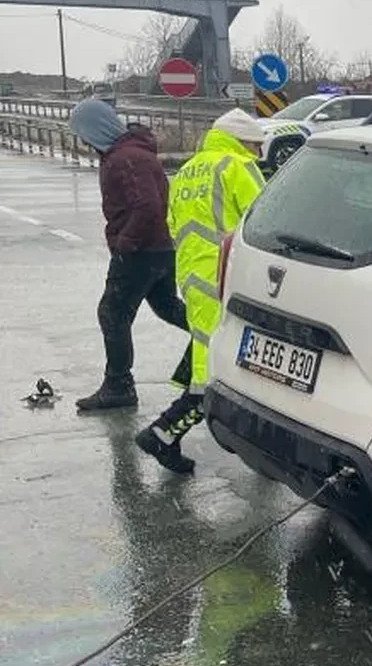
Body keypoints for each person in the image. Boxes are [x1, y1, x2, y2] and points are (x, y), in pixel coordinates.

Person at [135, 108, 267, 474]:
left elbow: (173, 222)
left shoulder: (188, 170)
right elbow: (265, 218)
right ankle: (162, 432)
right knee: (212, 372)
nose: (258, 154)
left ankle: (168, 435)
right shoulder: (236, 166)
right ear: (243, 141)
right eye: (256, 146)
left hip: (193, 275)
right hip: (229, 276)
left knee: (209, 353)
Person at [69, 97, 189, 412]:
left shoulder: (126, 158)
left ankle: (119, 385)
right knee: (166, 307)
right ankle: (218, 338)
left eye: (82, 133)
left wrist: (125, 242)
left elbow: (148, 205)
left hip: (141, 251)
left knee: (112, 312)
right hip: (160, 248)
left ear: (95, 129)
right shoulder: (131, 153)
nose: (82, 140)